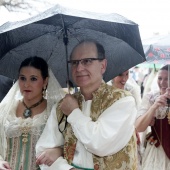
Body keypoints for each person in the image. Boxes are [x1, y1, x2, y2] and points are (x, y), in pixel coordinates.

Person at [36, 39, 138, 170]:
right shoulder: (62, 105)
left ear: (103, 65)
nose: (79, 68)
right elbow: (43, 152)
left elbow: (99, 143)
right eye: (74, 63)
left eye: (87, 61)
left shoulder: (122, 101)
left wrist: (73, 113)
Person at [0, 56, 64, 170]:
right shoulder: (5, 109)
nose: (26, 84)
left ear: (45, 81)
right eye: (23, 78)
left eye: (33, 79)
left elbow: (72, 145)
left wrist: (59, 151)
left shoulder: (56, 111)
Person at [135, 65, 170, 170]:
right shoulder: (150, 97)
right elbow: (138, 127)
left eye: (167, 79)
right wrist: (154, 107)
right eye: (160, 78)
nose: (162, 82)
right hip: (157, 150)